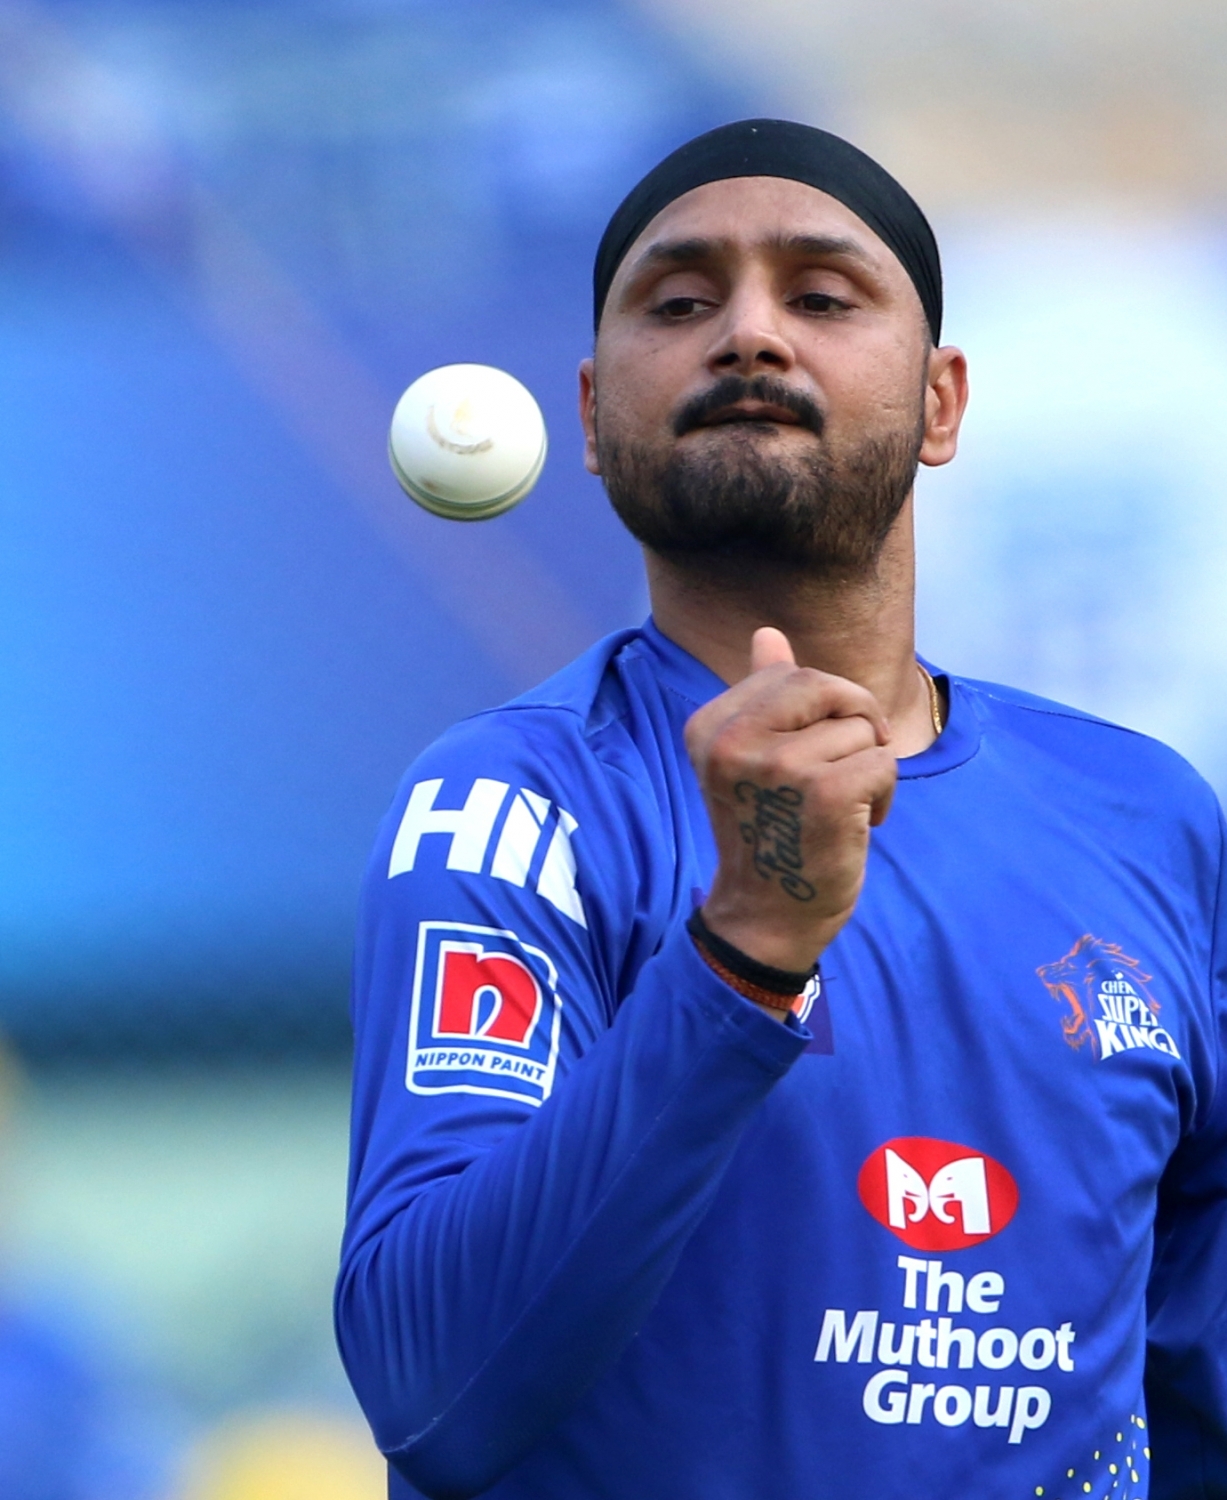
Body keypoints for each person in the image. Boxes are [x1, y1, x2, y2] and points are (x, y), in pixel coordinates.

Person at [334, 120, 1227, 1500]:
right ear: (588, 413)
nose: (749, 333)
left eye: (820, 295)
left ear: (941, 403)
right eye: (681, 301)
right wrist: (745, 947)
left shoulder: (1149, 818)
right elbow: (430, 1383)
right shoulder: (507, 802)